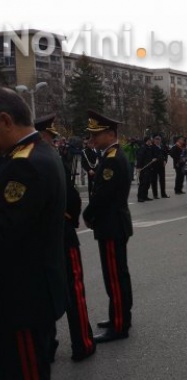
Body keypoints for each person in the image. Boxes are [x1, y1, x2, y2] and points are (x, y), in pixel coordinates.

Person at [0, 88, 67, 379]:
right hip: (27, 294)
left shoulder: (25, 165)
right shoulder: (37, 152)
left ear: (5, 120)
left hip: (22, 301)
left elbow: (6, 232)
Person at [35, 114, 96, 362]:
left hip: (36, 240)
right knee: (74, 290)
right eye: (51, 137)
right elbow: (71, 197)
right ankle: (82, 342)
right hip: (61, 234)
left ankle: (46, 345)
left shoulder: (16, 159)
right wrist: (70, 219)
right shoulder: (49, 158)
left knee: (42, 292)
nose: (53, 142)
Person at [82, 110, 134, 344]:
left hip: (111, 225)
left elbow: (103, 195)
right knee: (118, 274)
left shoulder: (112, 158)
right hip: (113, 223)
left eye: (97, 134)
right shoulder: (110, 154)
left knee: (114, 276)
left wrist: (88, 213)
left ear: (111, 134)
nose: (93, 139)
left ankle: (119, 325)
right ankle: (120, 316)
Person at [136, 136, 155, 202]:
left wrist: (153, 159)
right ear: (147, 141)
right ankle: (140, 197)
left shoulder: (149, 148)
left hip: (149, 167)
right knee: (143, 183)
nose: (151, 141)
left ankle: (145, 196)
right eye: (150, 140)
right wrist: (138, 167)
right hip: (144, 168)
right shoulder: (143, 148)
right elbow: (139, 157)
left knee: (147, 183)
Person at [150, 134, 170, 199]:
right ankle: (155, 194)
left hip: (161, 165)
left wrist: (165, 161)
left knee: (162, 180)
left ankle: (163, 193)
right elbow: (149, 155)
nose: (158, 141)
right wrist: (152, 158)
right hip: (154, 165)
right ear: (154, 140)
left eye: (159, 139)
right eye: (156, 139)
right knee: (154, 180)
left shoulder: (162, 146)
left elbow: (166, 154)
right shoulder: (152, 147)